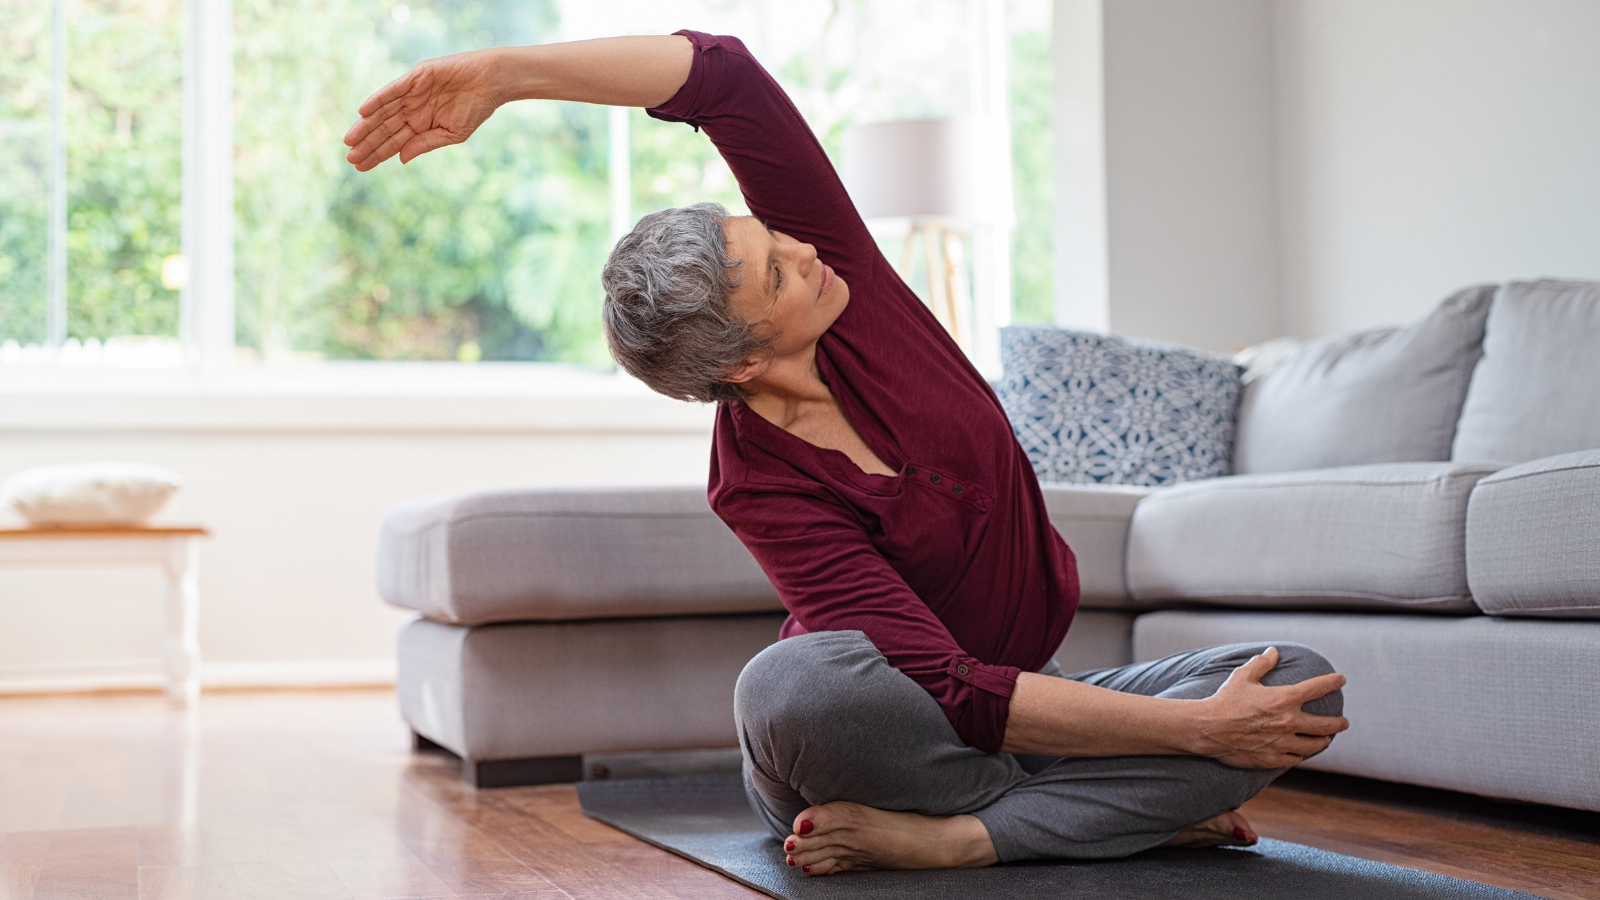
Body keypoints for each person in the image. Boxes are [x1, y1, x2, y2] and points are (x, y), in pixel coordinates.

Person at [344, 31, 1349, 876]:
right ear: (739, 358)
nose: (810, 252)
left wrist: (507, 75)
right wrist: (1193, 739)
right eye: (777, 272)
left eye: (780, 239)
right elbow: (947, 688)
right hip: (884, 738)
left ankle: (969, 837)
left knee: (1297, 680)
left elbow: (723, 77)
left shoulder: (850, 286)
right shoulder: (755, 483)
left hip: (1009, 725)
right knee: (787, 689)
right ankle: (1098, 814)